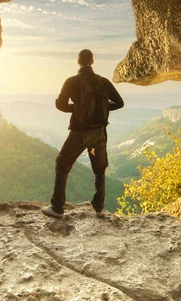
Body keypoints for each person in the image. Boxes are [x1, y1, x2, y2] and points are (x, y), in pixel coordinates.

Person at [42, 49, 124, 219]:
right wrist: (102, 109)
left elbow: (61, 105)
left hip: (79, 132)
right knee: (99, 169)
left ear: (78, 62)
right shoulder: (103, 81)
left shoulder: (71, 81)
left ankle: (57, 208)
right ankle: (99, 207)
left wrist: (76, 108)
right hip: (100, 133)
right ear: (92, 62)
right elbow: (120, 103)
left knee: (62, 164)